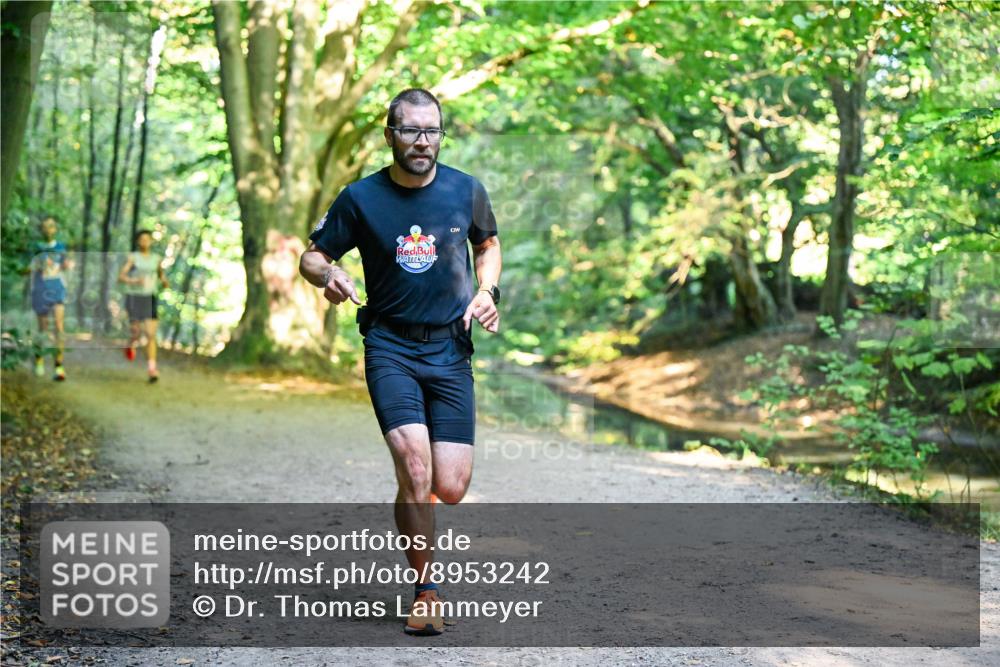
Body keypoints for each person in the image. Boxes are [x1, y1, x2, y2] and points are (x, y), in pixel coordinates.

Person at [299, 88, 502, 636]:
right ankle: (426, 590)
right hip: (389, 345)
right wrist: (330, 275)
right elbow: (312, 255)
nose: (421, 141)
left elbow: (488, 244)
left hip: (450, 347)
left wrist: (488, 290)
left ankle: (416, 497)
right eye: (410, 130)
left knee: (450, 485)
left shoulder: (466, 190)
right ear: (389, 134)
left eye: (431, 130)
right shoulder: (361, 198)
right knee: (415, 468)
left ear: (441, 133)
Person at [118, 230, 169, 383]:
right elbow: (121, 277)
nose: (145, 241)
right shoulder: (133, 258)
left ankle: (152, 368)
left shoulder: (156, 259)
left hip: (149, 297)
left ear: (151, 241)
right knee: (136, 332)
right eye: (142, 239)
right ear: (138, 241)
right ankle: (131, 343)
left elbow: (161, 275)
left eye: (147, 239)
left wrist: (164, 282)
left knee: (150, 334)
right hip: (134, 297)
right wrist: (134, 281)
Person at [29, 216, 70, 381]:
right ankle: (39, 359)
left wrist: (67, 265)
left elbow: (66, 265)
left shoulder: (61, 247)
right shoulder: (36, 247)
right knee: (42, 329)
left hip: (57, 290)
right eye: (45, 227)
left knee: (59, 328)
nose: (48, 229)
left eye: (51, 226)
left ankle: (59, 366)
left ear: (55, 229)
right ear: (41, 230)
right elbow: (26, 269)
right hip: (40, 290)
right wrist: (35, 266)